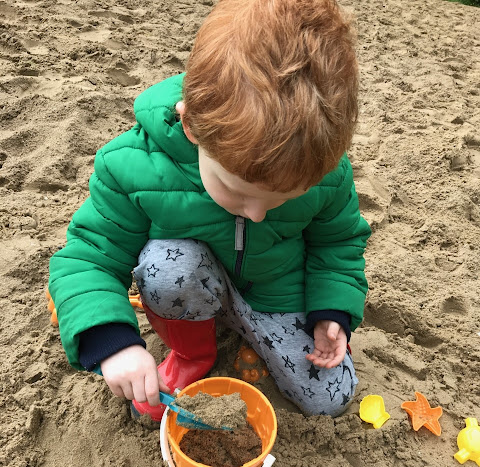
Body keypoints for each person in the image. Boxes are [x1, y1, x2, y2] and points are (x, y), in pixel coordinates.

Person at [48, 0, 371, 420]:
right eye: (238, 193)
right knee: (166, 268)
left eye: (283, 199)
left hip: (277, 291)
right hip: (188, 282)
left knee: (331, 396)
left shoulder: (324, 168)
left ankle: (248, 329)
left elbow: (339, 243)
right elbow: (87, 257)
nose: (257, 214)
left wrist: (333, 311)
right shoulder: (133, 165)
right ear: (190, 127)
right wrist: (112, 340)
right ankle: (192, 352)